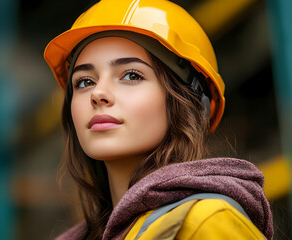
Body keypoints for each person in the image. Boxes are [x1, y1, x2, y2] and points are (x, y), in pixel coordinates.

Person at [44, 0, 273, 239]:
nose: (98, 93)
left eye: (131, 75)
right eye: (84, 82)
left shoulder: (206, 222)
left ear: (188, 101)